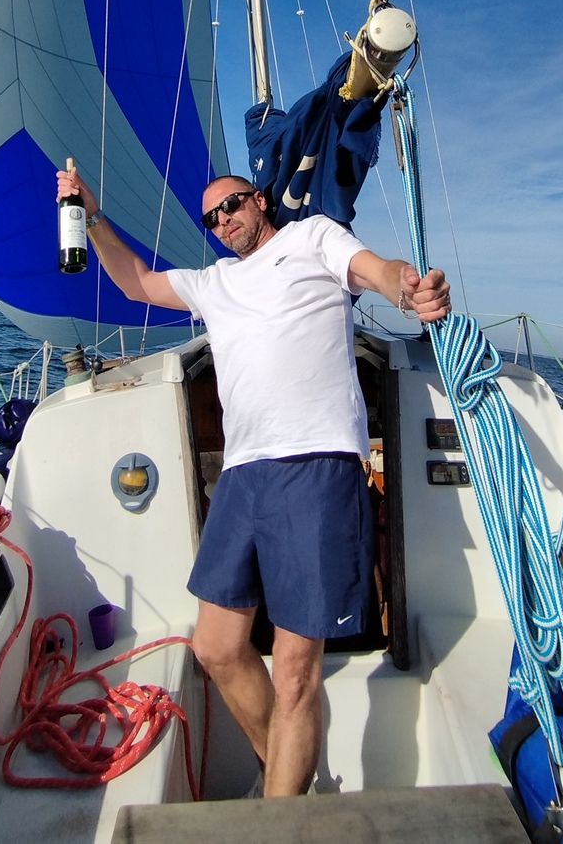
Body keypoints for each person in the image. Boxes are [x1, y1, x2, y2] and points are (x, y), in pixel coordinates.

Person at [56, 166, 450, 797]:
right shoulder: (213, 282)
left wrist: (407, 289)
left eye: (232, 205)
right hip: (243, 475)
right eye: (211, 218)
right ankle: (288, 782)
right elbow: (135, 281)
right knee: (215, 647)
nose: (223, 221)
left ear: (259, 200)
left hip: (316, 465)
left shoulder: (312, 238)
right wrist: (92, 214)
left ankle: (279, 811)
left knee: (295, 671)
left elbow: (376, 271)